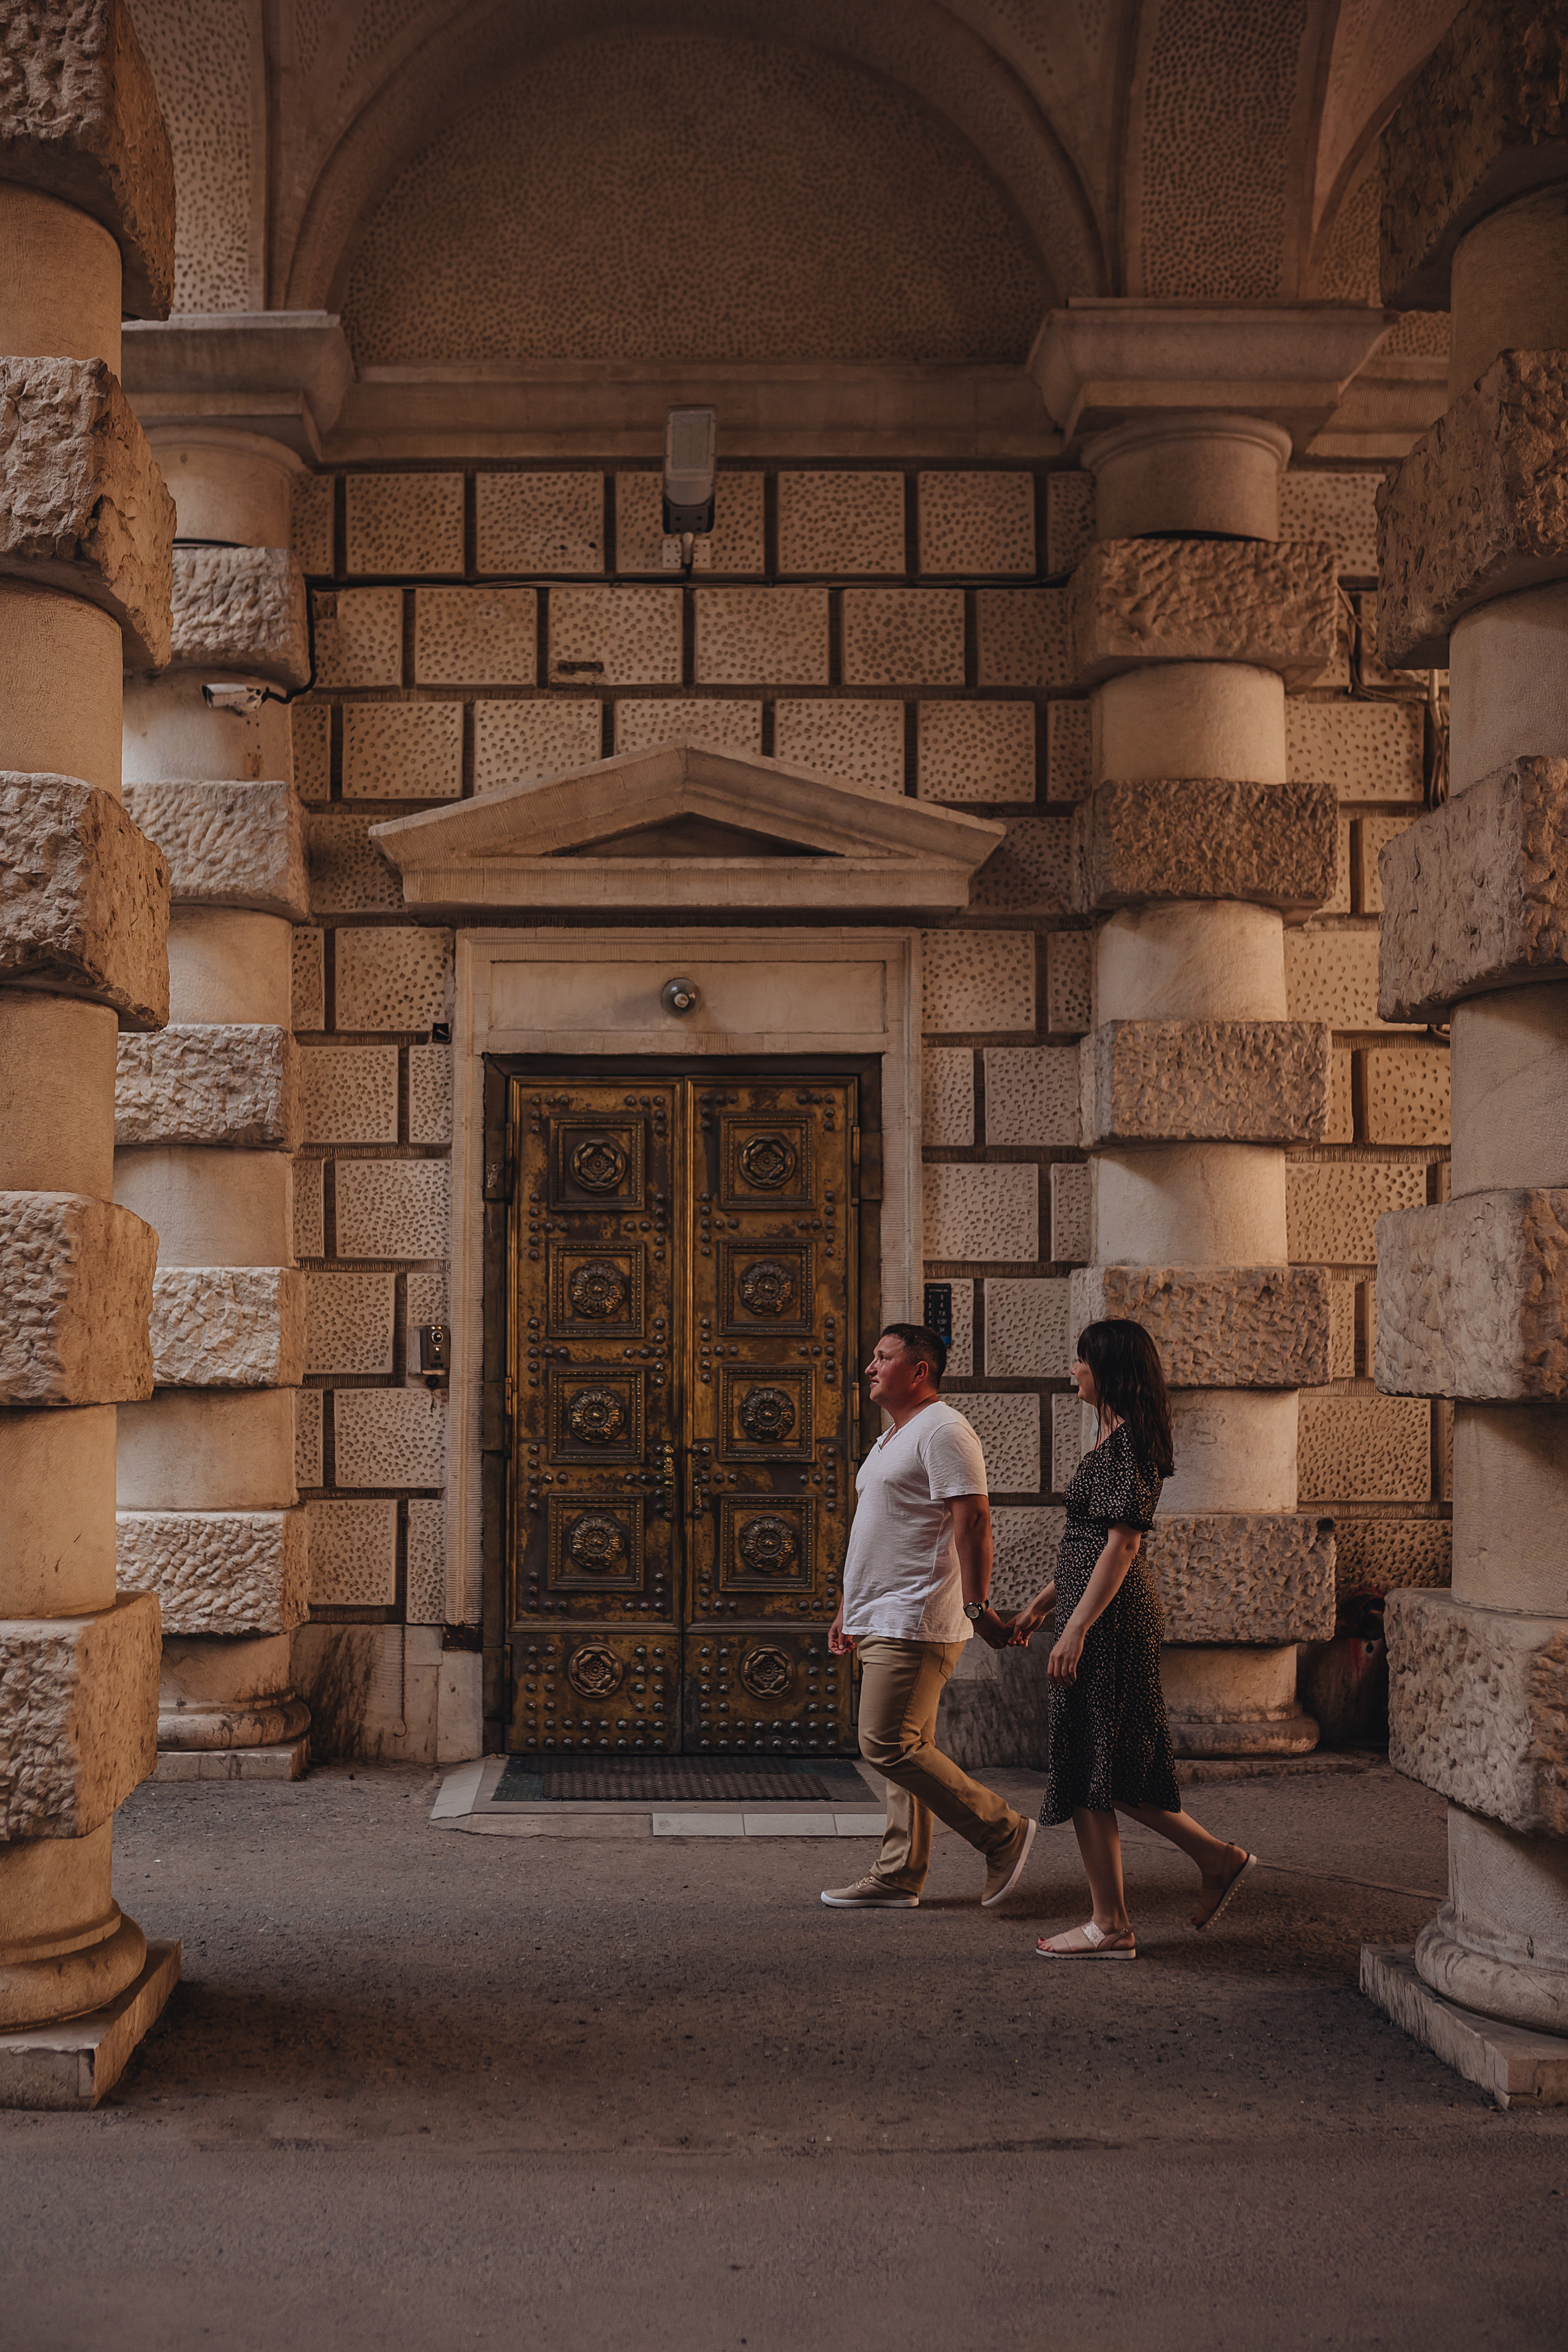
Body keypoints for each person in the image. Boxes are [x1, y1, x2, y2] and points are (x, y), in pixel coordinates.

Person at [1004, 1319, 1256, 1958]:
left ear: (1109, 1369)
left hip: (1110, 1620)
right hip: (1095, 1610)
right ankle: (1208, 1863)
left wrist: (1077, 1629)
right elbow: (1091, 1542)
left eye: (1081, 1361)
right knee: (1102, 1765)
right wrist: (1045, 1602)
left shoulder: (1128, 1446)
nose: (1072, 1371)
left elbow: (1121, 1545)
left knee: (1094, 1761)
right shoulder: (1111, 1438)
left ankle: (1112, 1925)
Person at [819, 1323, 1037, 1911]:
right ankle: (899, 1873)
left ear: (919, 1371)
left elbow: (973, 1522)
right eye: (872, 1356)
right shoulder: (892, 1439)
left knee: (886, 1742)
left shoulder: (944, 1429)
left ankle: (1004, 1831)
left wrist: (978, 1606)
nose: (870, 1366)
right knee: (907, 1748)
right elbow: (879, 1535)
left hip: (915, 1617)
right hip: (880, 1614)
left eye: (883, 1357)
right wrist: (849, 1609)